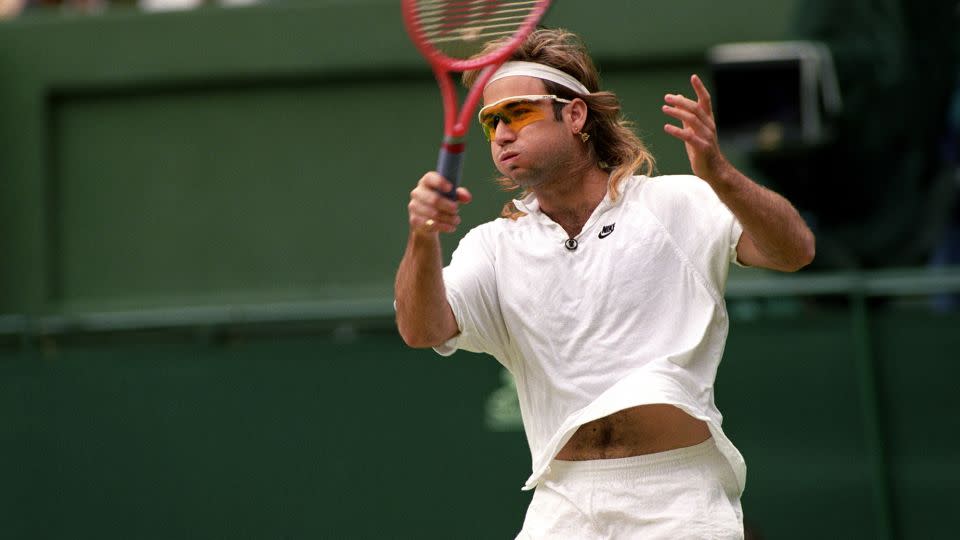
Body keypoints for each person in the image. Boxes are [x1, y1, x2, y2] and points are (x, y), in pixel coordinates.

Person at [394, 28, 815, 538]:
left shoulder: (676, 202)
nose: (502, 133)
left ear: (575, 115)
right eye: (491, 121)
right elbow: (421, 329)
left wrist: (721, 174)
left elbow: (795, 251)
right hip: (562, 501)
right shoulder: (493, 247)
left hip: (678, 498)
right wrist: (421, 238)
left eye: (520, 112)